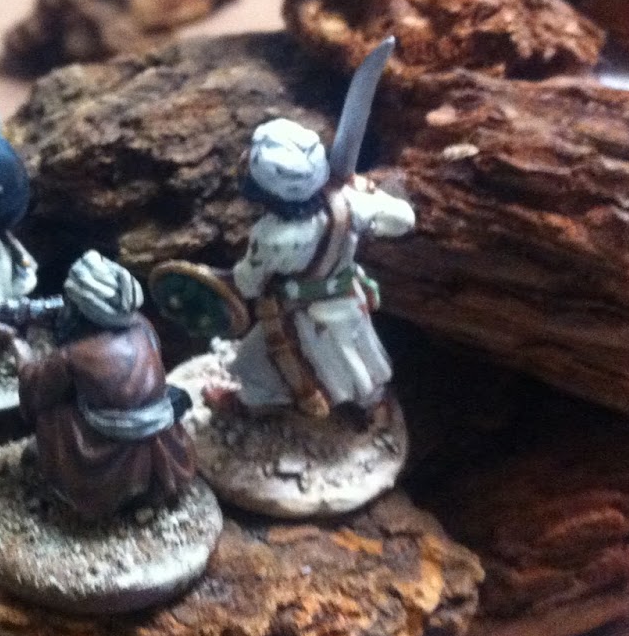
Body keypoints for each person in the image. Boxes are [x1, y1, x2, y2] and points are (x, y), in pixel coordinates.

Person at [229, 118, 414, 419]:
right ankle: (373, 405)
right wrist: (366, 192)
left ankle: (254, 404)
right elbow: (404, 220)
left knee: (253, 361)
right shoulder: (351, 202)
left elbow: (249, 283)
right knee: (358, 357)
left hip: (301, 311)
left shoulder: (270, 236)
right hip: (349, 298)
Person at [20, 252, 195, 519]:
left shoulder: (74, 354)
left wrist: (22, 356)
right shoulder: (144, 327)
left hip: (106, 453)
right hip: (162, 439)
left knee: (51, 414)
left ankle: (73, 485)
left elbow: (36, 390)